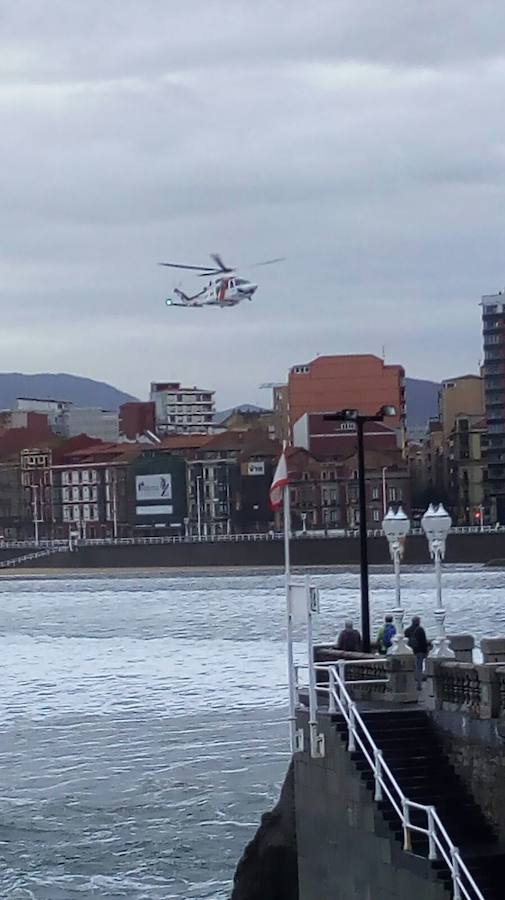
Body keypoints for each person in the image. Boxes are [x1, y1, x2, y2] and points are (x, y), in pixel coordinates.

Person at [405, 615, 429, 690]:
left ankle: (410, 685)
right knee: (419, 667)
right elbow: (424, 642)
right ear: (418, 622)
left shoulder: (407, 630)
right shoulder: (420, 630)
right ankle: (419, 684)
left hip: (410, 651)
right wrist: (426, 652)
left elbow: (405, 642)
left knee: (411, 668)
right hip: (419, 651)